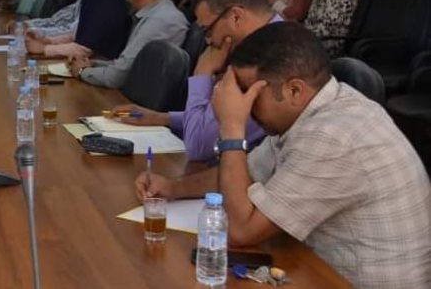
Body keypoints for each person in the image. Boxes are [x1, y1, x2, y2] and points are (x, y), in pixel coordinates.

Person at [134, 23, 431, 289]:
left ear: (294, 90)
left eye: (249, 92)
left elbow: (240, 231)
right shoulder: (313, 111)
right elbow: (247, 172)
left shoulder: (332, 135)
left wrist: (232, 126)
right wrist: (172, 188)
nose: (243, 104)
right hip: (317, 269)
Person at [113, 0, 275, 161]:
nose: (208, 41)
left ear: (236, 17)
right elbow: (217, 120)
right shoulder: (269, 40)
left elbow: (197, 146)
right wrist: (162, 118)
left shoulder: (266, 61)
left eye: (208, 30)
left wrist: (202, 73)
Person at [70, 0, 189, 88]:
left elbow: (117, 77)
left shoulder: (160, 21)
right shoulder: (155, 14)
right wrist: (93, 64)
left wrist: (82, 71)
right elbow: (126, 66)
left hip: (138, 98)